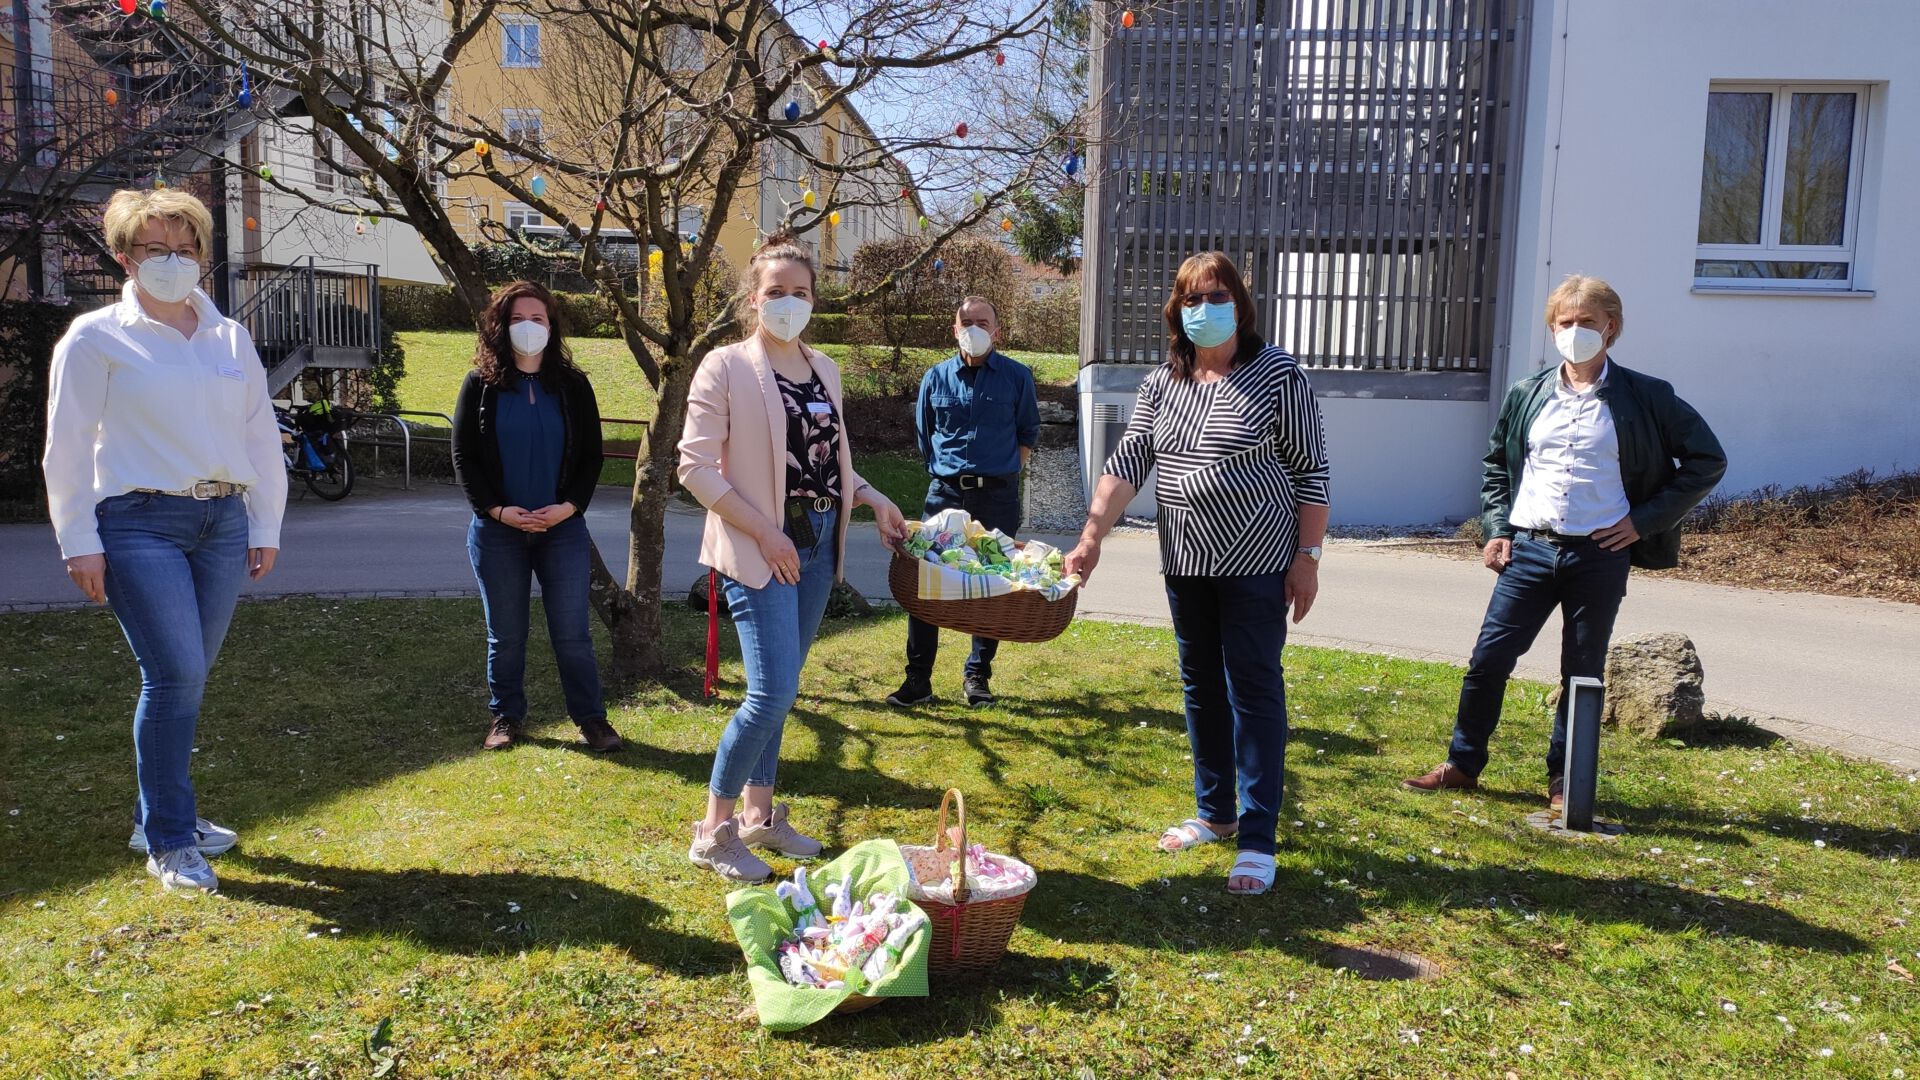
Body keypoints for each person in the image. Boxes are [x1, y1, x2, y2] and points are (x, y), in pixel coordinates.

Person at [41, 188, 288, 893]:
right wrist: (77, 540)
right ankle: (172, 839)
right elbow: (66, 449)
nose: (173, 262)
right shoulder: (95, 339)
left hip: (221, 523)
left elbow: (257, 438)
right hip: (137, 522)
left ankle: (155, 813)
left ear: (203, 257)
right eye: (156, 250)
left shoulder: (227, 337)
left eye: (186, 250)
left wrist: (265, 523)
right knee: (175, 674)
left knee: (188, 679)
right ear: (125, 256)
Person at [1402, 275, 1726, 808]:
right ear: (1553, 328)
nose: (1575, 332)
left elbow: (1706, 460)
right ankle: (1463, 763)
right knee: (1489, 659)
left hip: (1599, 555)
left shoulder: (1647, 396)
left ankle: (1565, 782)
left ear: (1611, 329)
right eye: (1565, 322)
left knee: (1581, 672)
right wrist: (1497, 528)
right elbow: (1495, 467)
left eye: (1587, 323)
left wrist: (1645, 521)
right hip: (1529, 549)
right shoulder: (1527, 394)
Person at [1064, 252, 1331, 896]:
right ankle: (1215, 812)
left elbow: (1313, 475)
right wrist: (1091, 533)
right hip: (1185, 564)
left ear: (1239, 305)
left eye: (1215, 296)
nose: (1203, 309)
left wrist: (1308, 558)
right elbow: (1127, 463)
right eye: (1190, 299)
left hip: (1258, 565)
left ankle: (1259, 837)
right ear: (1176, 313)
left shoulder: (1278, 376)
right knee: (1201, 687)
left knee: (1254, 689)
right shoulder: (1164, 383)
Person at [677, 237, 911, 883]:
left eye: (800, 292)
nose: (788, 302)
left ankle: (759, 816)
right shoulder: (723, 367)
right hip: (759, 550)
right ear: (754, 299)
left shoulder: (825, 370)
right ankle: (713, 831)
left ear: (814, 299)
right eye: (775, 291)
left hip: (815, 546)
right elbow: (693, 468)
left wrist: (873, 496)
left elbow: (827, 465)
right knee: (771, 692)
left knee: (781, 693)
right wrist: (767, 534)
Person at [451, 281, 622, 754]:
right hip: (497, 531)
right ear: (500, 328)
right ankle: (506, 717)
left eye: (538, 319)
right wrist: (499, 510)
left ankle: (591, 720)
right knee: (506, 634)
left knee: (572, 633)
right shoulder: (479, 386)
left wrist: (568, 507)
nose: (529, 328)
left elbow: (591, 456)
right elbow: (464, 456)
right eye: (518, 320)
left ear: (552, 326)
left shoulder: (573, 386)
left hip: (561, 530)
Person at [887, 295, 1041, 709]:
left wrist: (1002, 472)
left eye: (982, 322)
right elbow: (925, 437)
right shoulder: (935, 378)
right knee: (926, 583)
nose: (973, 328)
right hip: (946, 493)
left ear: (997, 331)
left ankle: (978, 677)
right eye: (966, 322)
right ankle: (918, 680)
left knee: (991, 583)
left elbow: (1028, 434)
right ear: (954, 330)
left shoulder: (1017, 377)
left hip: (997, 495)